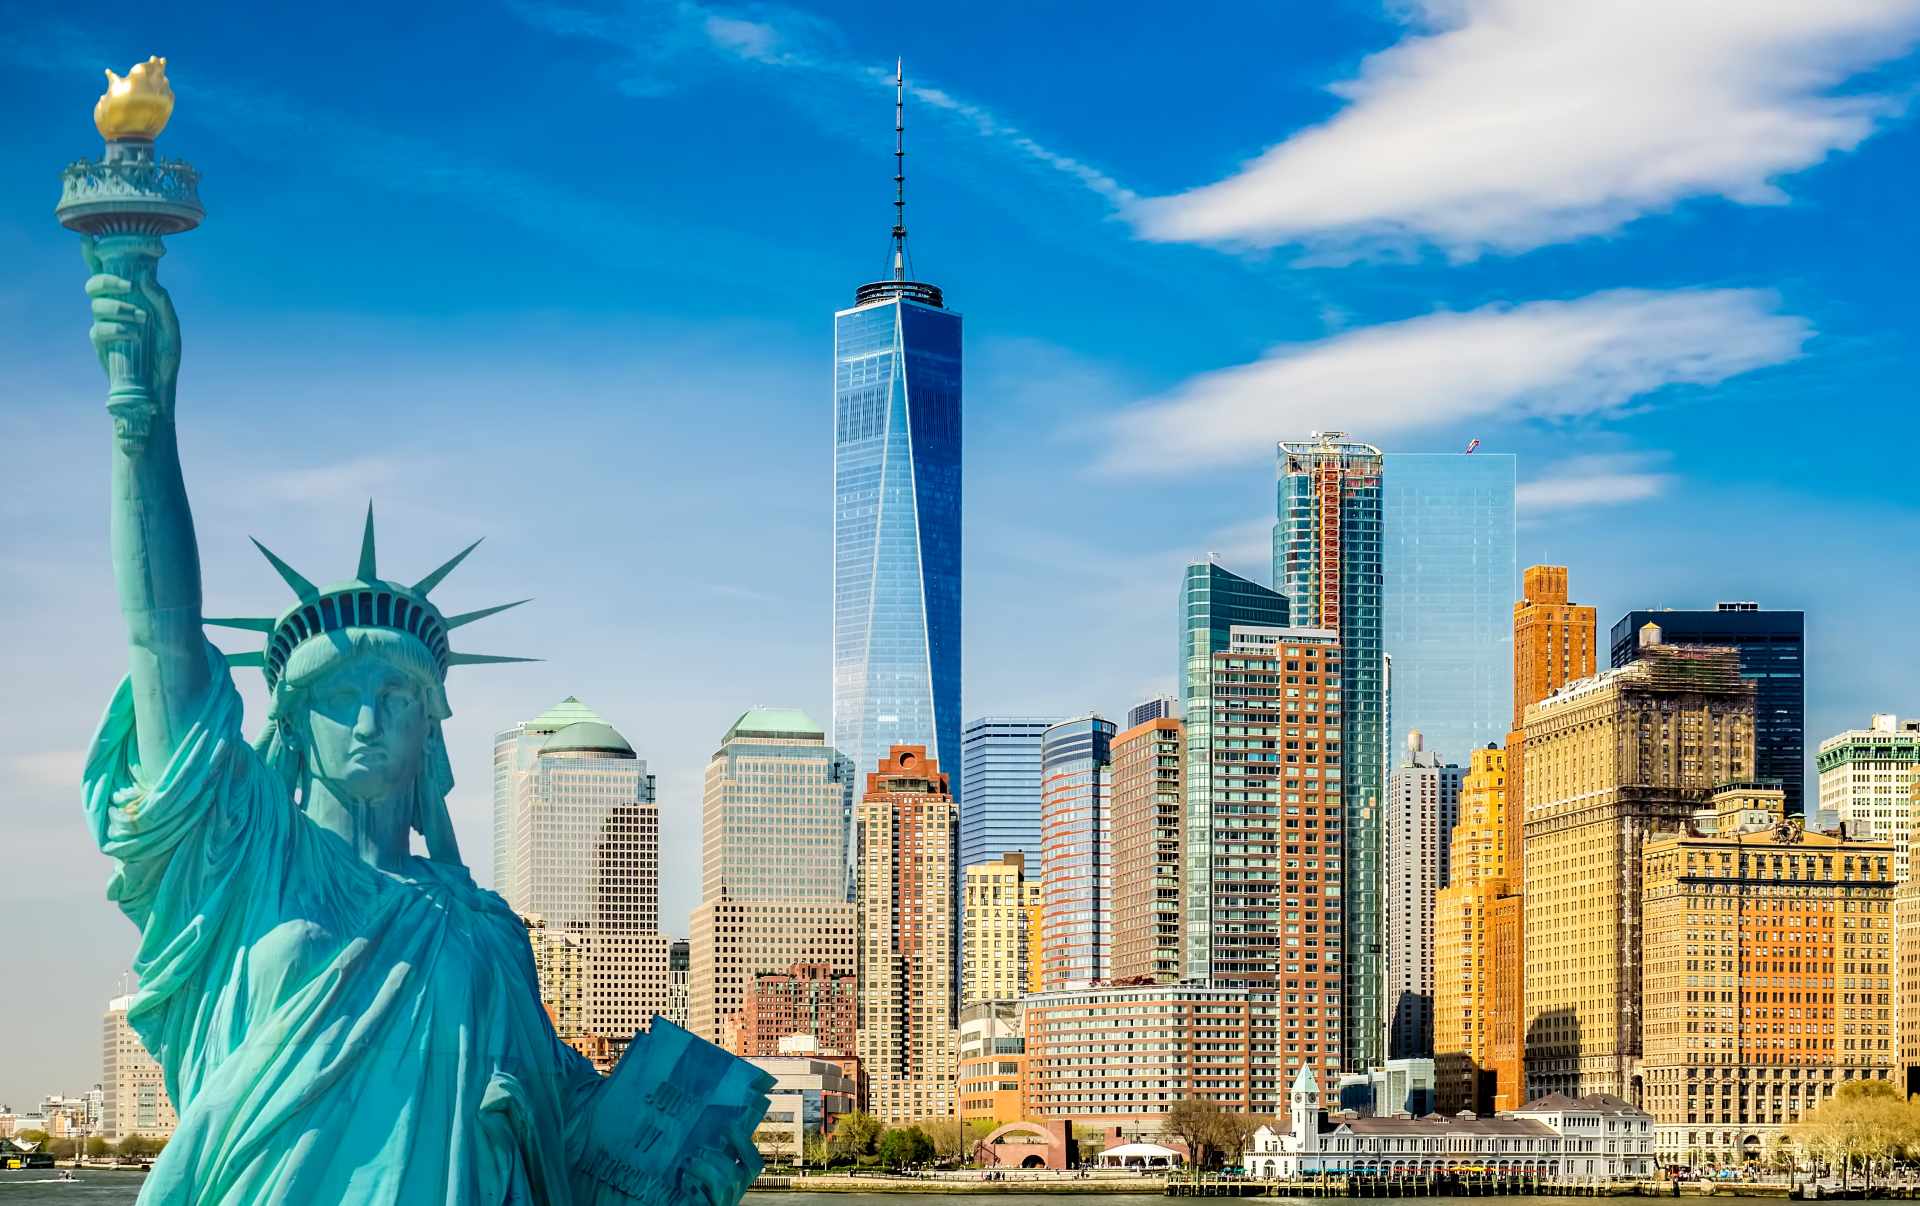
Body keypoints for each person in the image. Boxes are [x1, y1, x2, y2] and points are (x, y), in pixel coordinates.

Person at [77, 238, 762, 1204]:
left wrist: (686, 1153)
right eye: (337, 695)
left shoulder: (483, 928)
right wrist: (139, 427)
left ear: (429, 730)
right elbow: (161, 645)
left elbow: (561, 1124)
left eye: (396, 697)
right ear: (292, 719)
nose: (368, 716)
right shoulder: (243, 859)